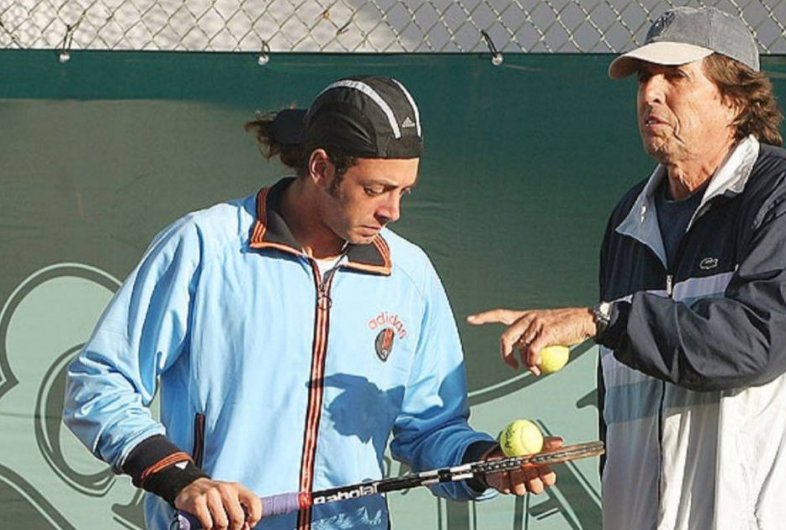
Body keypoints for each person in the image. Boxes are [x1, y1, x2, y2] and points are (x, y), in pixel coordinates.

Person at [63, 75, 557, 530]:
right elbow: (98, 384)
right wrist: (182, 481)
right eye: (376, 189)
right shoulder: (205, 246)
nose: (393, 211)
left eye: (405, 190)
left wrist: (487, 465)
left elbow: (430, 430)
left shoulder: (409, 275)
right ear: (320, 168)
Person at [468, 7, 786, 529]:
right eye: (643, 78)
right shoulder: (627, 220)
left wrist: (603, 322)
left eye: (675, 76)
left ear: (734, 97)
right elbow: (638, 397)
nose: (650, 94)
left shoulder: (784, 195)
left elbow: (757, 341)